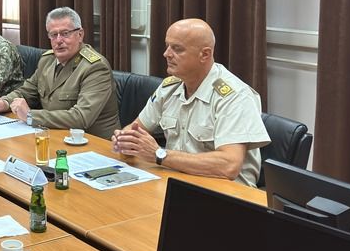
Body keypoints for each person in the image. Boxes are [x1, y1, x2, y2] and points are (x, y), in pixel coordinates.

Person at [111, 18, 270, 187]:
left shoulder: (234, 96)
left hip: (226, 193)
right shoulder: (169, 87)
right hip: (178, 182)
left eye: (177, 48)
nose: (166, 54)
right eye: (167, 46)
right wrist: (125, 140)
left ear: (205, 54)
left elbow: (229, 165)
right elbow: (136, 129)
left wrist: (160, 154)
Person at [0, 7, 119, 139]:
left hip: (92, 143)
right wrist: (4, 102)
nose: (59, 40)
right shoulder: (47, 60)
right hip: (55, 135)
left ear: (80, 35)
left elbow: (81, 118)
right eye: (54, 35)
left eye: (65, 33)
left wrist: (31, 116)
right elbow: (27, 91)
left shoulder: (95, 67)